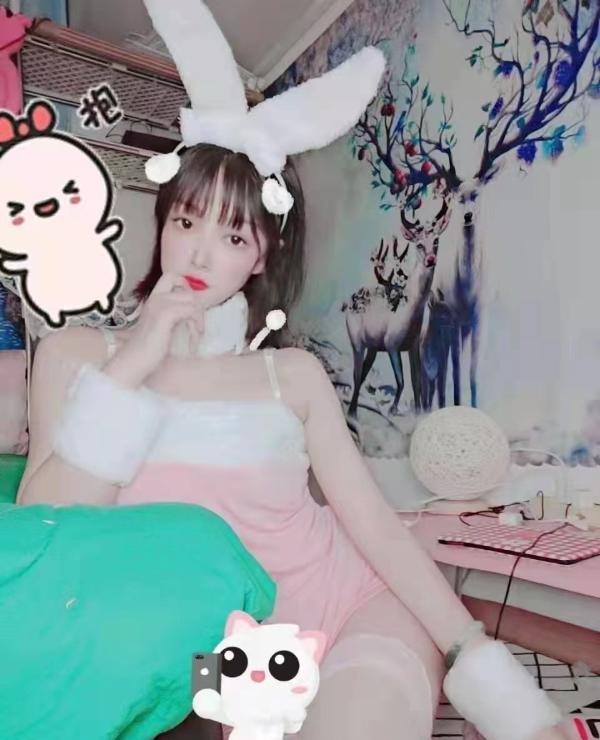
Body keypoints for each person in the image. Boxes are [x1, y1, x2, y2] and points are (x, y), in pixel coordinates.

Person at [16, 2, 575, 739]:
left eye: (233, 234)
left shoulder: (293, 375)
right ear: (163, 222)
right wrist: (136, 363)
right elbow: (46, 532)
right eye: (186, 220)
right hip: (207, 660)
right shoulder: (78, 355)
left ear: (261, 256)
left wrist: (478, 659)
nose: (201, 252)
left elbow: (372, 524)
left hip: (344, 613)